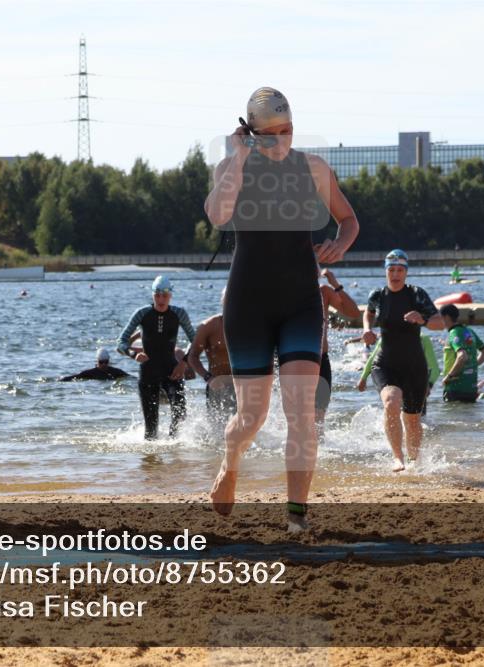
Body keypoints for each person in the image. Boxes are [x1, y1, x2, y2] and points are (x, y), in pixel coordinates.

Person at [203, 86, 360, 528]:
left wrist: (338, 246)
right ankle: (230, 461)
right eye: (269, 135)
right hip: (248, 305)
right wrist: (236, 157)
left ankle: (296, 517)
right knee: (251, 418)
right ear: (250, 133)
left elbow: (349, 220)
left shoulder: (313, 169)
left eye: (287, 131)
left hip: (301, 304)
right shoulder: (233, 166)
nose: (280, 141)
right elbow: (217, 215)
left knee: (302, 413)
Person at [361, 250, 444, 471]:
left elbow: (439, 323)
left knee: (412, 419)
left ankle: (415, 462)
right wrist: (367, 329)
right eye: (391, 270)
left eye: (400, 270)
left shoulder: (417, 294)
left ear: (406, 272)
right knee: (391, 401)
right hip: (385, 363)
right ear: (385, 271)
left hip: (414, 366)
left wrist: (423, 319)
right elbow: (368, 312)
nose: (395, 274)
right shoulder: (377, 295)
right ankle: (398, 458)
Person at [117, 276, 196, 440]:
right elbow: (121, 342)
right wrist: (133, 354)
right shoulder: (142, 313)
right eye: (157, 295)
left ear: (171, 295)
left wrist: (184, 363)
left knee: (180, 413)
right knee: (151, 431)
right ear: (153, 295)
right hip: (148, 373)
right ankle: (151, 463)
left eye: (165, 295)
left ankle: (176, 456)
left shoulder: (179, 313)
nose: (161, 299)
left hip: (172, 371)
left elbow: (196, 342)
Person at [316, 268, 361, 429]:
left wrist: (335, 284)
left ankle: (320, 454)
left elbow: (353, 312)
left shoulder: (324, 292)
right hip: (291, 361)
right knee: (297, 416)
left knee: (318, 421)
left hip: (321, 360)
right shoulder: (286, 291)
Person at [187, 291, 236, 430]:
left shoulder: (247, 325)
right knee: (218, 430)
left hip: (241, 384)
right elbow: (193, 356)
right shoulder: (209, 326)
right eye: (228, 301)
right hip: (216, 384)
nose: (231, 305)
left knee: (245, 427)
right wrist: (208, 378)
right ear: (222, 302)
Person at [357, 334, 440, 416]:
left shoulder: (423, 339)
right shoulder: (387, 336)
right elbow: (373, 358)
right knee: (392, 405)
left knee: (417, 421)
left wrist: (429, 384)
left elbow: (434, 368)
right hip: (393, 378)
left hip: (416, 380)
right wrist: (363, 378)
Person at [438, 304, 484, 402]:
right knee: (468, 416)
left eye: (440, 318)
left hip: (455, 388)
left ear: (446, 317)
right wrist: (472, 366)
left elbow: (462, 356)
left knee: (453, 416)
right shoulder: (469, 331)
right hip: (471, 388)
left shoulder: (453, 333)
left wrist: (449, 376)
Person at [60, 348, 130, 381]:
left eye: (106, 362)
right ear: (97, 361)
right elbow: (75, 377)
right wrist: (62, 379)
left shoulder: (116, 372)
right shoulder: (90, 373)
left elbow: (130, 378)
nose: (103, 365)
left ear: (109, 361)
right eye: (101, 362)